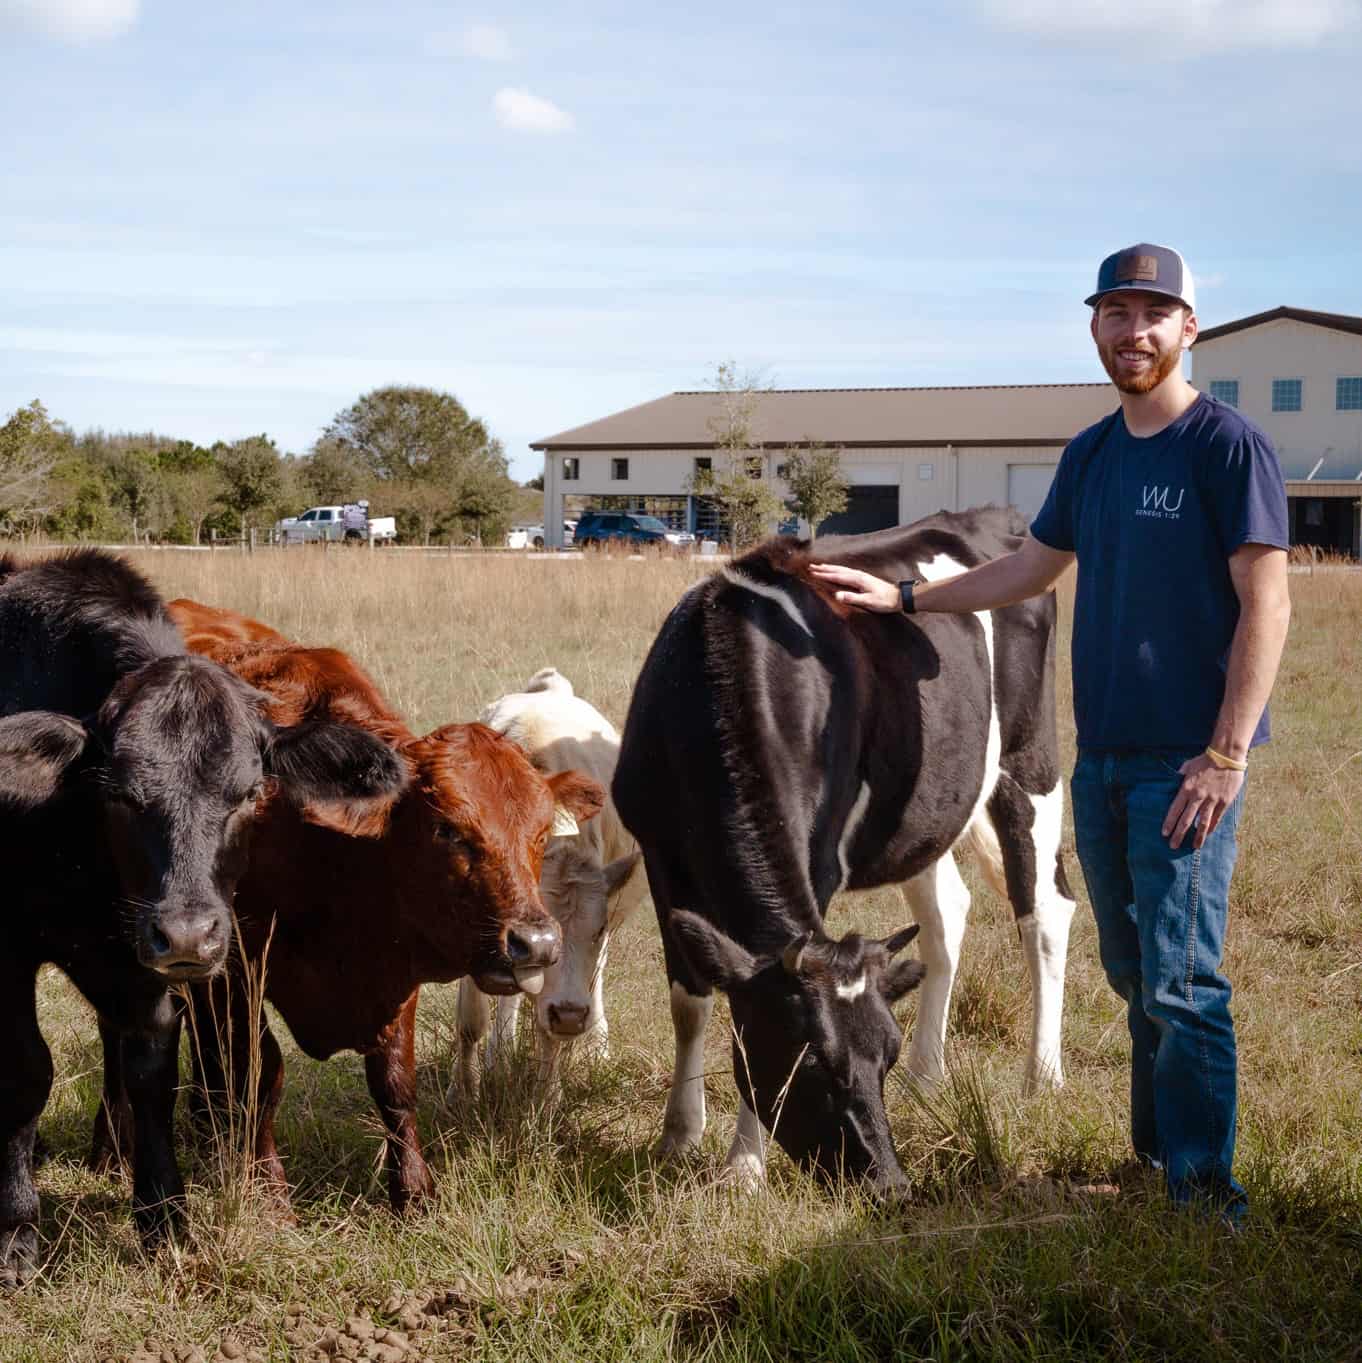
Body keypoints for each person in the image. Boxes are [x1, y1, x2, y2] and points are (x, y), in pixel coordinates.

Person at [808, 243, 1291, 1220]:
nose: (1134, 329)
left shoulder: (1227, 446)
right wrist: (905, 595)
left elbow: (1267, 603)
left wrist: (1228, 751)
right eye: (1117, 310)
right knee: (1133, 969)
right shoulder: (1093, 453)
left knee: (1185, 980)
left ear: (1188, 328)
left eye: (1155, 311)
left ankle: (1205, 1196)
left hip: (1187, 760)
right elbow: (1027, 569)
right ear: (1095, 328)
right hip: (1104, 757)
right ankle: (1159, 1163)